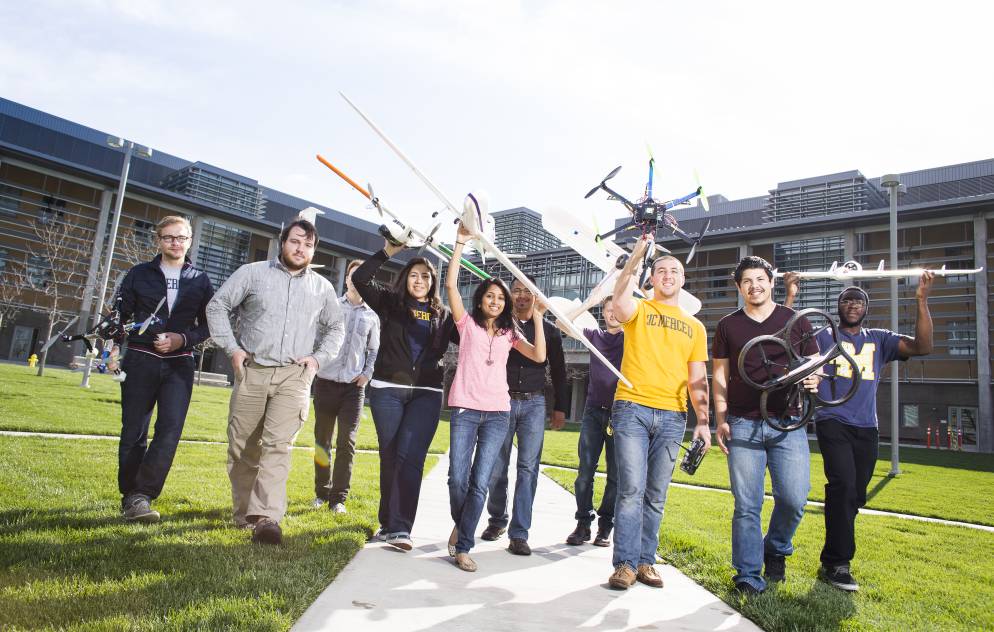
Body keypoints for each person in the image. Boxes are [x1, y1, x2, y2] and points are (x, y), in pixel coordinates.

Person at [785, 273, 934, 591]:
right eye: (846, 299)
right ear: (837, 306)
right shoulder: (823, 336)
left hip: (867, 427)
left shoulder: (880, 339)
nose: (852, 304)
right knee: (843, 484)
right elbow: (786, 343)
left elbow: (924, 346)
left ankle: (830, 560)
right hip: (832, 419)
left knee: (853, 495)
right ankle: (839, 565)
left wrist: (921, 299)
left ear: (867, 308)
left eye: (859, 300)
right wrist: (791, 296)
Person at [207, 218, 344, 545]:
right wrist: (233, 349)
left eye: (308, 245)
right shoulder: (252, 273)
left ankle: (267, 518)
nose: (301, 249)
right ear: (283, 242)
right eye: (296, 241)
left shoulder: (322, 287)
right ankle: (244, 514)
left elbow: (336, 328)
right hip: (252, 371)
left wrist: (316, 360)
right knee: (242, 448)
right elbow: (217, 306)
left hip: (294, 378)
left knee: (278, 447)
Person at [606, 237, 711, 590]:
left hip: (673, 416)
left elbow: (698, 378)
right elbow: (619, 301)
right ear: (651, 279)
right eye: (661, 270)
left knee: (656, 494)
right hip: (632, 408)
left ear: (683, 281)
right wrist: (636, 256)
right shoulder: (640, 309)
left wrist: (704, 423)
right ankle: (624, 564)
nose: (668, 275)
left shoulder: (695, 327)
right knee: (631, 489)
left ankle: (646, 562)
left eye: (674, 271)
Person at [712, 256, 819, 594]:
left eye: (760, 279)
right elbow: (719, 373)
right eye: (747, 281)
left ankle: (776, 547)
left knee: (794, 498)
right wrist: (720, 417)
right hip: (743, 422)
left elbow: (814, 361)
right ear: (739, 286)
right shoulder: (728, 325)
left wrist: (815, 377)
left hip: (787, 422)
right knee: (747, 504)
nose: (754, 286)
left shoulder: (795, 320)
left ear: (771, 282)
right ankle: (747, 575)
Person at [444, 224, 547, 572]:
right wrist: (460, 243)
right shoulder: (466, 325)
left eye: (501, 298)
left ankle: (464, 544)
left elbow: (539, 357)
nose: (496, 301)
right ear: (481, 299)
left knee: (481, 479)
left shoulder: (509, 332)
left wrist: (538, 317)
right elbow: (450, 285)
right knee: (458, 478)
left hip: (498, 413)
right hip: (465, 409)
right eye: (491, 296)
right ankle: (463, 523)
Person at [351, 239, 456, 551]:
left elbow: (472, 334)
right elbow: (360, 279)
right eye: (414, 275)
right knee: (391, 456)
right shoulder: (389, 303)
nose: (420, 280)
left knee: (410, 458)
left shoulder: (444, 314)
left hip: (426, 392)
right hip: (388, 391)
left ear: (433, 282)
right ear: (405, 278)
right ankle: (387, 523)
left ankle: (400, 528)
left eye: (426, 276)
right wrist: (389, 250)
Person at [115, 216, 214, 523]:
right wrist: (116, 346)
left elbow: (209, 324)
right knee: (134, 431)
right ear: (158, 240)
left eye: (181, 237)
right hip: (140, 360)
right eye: (169, 237)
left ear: (190, 241)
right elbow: (119, 315)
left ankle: (142, 495)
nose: (175, 242)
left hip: (179, 366)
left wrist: (182, 339)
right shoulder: (138, 274)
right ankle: (130, 495)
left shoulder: (200, 279)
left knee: (169, 431)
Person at [482, 274, 568, 556]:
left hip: (534, 405)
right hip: (501, 403)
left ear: (536, 296)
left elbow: (559, 371)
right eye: (516, 290)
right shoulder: (501, 325)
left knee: (528, 469)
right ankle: (497, 521)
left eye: (526, 291)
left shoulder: (550, 331)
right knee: (496, 466)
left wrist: (560, 408)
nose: (520, 295)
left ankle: (520, 533)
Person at [312, 259, 380, 514]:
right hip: (326, 383)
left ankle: (338, 499)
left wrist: (367, 374)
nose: (357, 279)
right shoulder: (331, 306)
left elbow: (373, 350)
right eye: (354, 275)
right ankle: (321, 493)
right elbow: (317, 338)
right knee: (322, 441)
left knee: (347, 443)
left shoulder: (372, 316)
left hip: (353, 389)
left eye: (363, 276)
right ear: (347, 278)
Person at [558, 295, 624, 548]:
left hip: (621, 413)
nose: (612, 314)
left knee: (616, 476)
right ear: (603, 313)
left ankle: (605, 526)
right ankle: (583, 523)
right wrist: (588, 304)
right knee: (585, 472)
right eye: (607, 310)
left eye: (616, 309)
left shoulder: (630, 337)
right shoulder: (594, 336)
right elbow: (562, 323)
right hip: (593, 412)